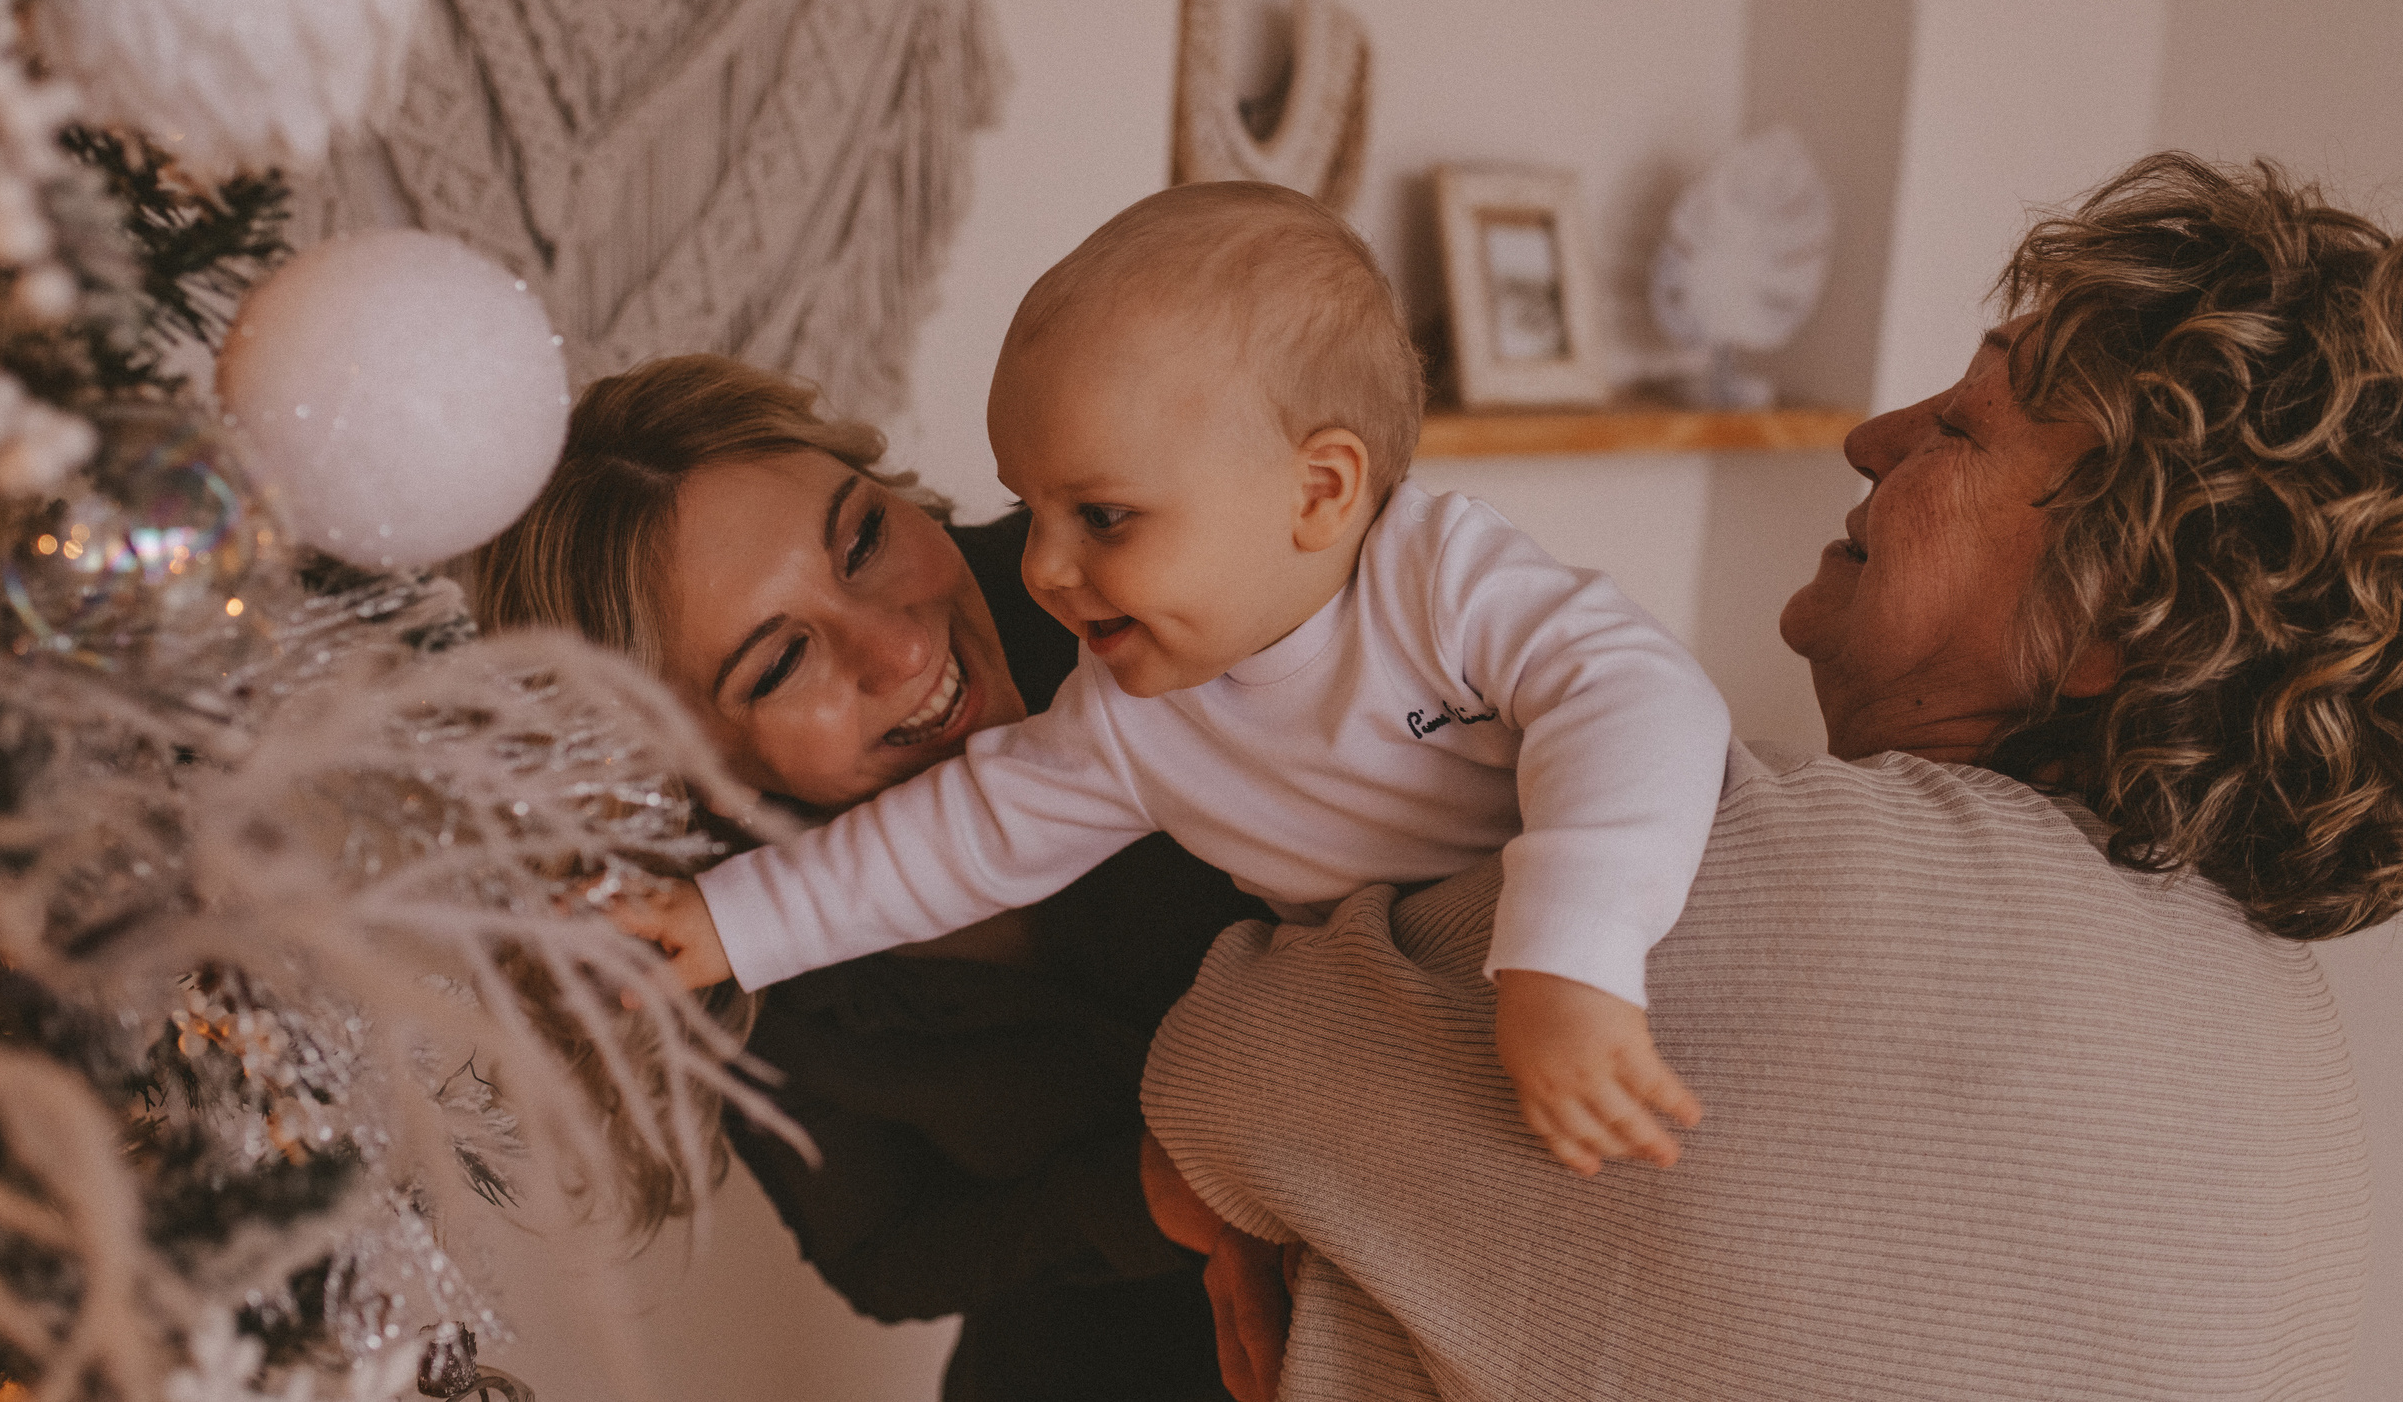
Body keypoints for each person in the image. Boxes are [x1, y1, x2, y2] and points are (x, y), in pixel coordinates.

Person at [1138, 153, 2398, 1400]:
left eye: (1961, 428)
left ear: (2115, 618)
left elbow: (1210, 1083)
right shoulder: (2296, 1051)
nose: (1868, 438)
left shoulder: (1779, 876)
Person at [622, 181, 1734, 1176]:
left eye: (1101, 516)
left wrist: (1569, 954)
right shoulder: (1122, 718)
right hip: (1419, 1034)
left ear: (1318, 493)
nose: (1045, 567)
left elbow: (1636, 696)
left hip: (1618, 952)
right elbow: (946, 842)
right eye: (1033, 508)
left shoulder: (1436, 579)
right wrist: (730, 924)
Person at [470, 356, 1278, 1402]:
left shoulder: (1139, 599)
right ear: (688, 782)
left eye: (861, 539)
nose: (899, 645)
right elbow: (885, 1254)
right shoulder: (714, 956)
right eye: (775, 664)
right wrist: (1146, 1200)